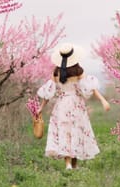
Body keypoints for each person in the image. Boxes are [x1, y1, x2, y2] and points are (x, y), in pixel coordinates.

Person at [37, 42, 110, 170]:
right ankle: (73, 165)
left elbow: (48, 93)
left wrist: (41, 108)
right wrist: (103, 100)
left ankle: (69, 165)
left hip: (62, 105)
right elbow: (91, 88)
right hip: (76, 105)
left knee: (65, 132)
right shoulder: (78, 71)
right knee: (76, 131)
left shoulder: (56, 72)